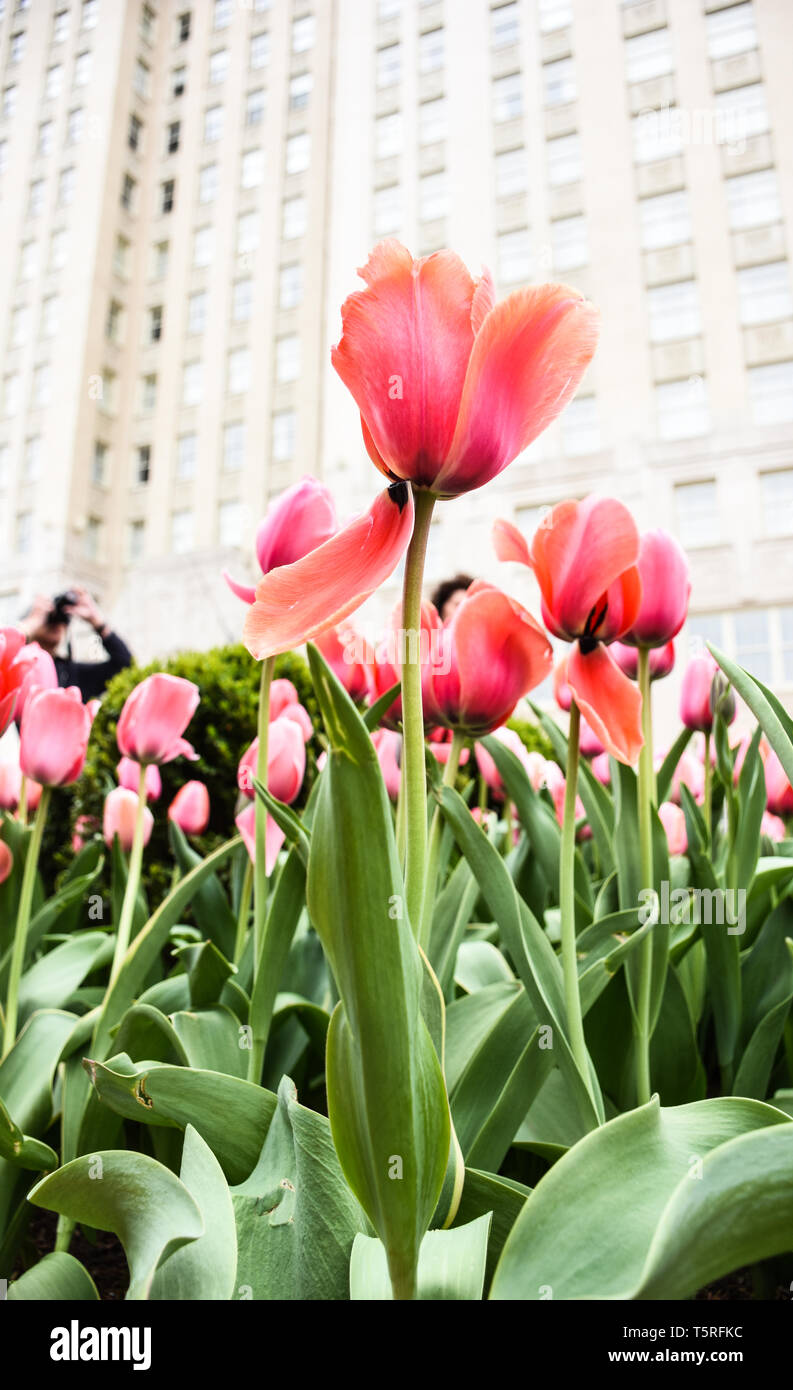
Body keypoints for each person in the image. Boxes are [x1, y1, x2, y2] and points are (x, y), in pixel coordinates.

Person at [19, 586, 133, 701]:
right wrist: (30, 624)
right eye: (49, 617)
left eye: (63, 619)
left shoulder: (72, 673)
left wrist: (97, 622)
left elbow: (125, 666)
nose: (57, 622)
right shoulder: (18, 663)